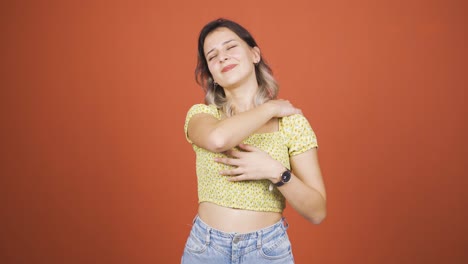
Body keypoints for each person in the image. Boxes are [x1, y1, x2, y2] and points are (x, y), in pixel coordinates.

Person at [181, 18, 327, 264]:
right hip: (206, 250)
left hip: (267, 252)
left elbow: (317, 211)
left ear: (254, 54)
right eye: (212, 56)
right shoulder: (203, 116)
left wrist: (275, 171)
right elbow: (218, 139)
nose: (223, 58)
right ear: (212, 74)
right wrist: (270, 108)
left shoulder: (291, 123)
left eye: (230, 47)